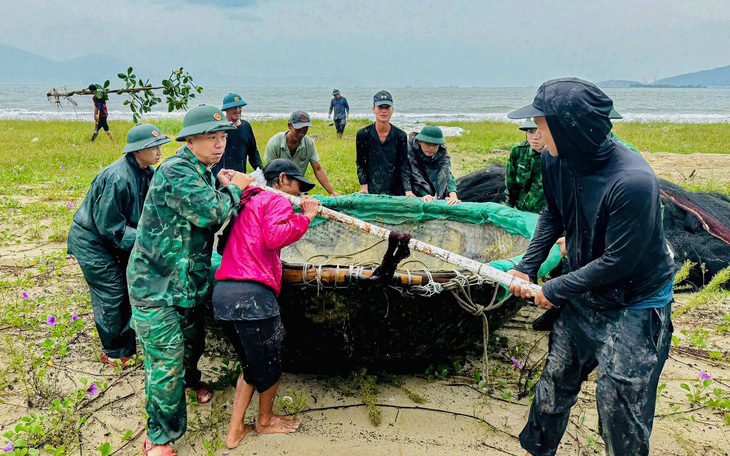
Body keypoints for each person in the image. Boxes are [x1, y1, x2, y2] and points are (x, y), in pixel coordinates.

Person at [506, 77, 674, 456]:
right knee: (553, 384)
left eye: (542, 124)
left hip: (634, 302)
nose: (535, 131)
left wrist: (554, 289)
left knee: (619, 407)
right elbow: (554, 211)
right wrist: (528, 267)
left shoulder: (633, 183)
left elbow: (618, 262)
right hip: (584, 293)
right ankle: (537, 449)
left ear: (570, 130)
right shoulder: (554, 159)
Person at [126, 105, 255, 456]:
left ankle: (191, 381)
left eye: (223, 136)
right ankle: (159, 438)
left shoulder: (202, 171)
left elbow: (209, 216)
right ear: (190, 140)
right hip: (155, 285)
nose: (219, 144)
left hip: (186, 282)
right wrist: (236, 188)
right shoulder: (175, 171)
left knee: (191, 346)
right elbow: (212, 211)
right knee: (165, 362)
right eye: (210, 138)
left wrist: (222, 184)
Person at [214, 158, 321, 448]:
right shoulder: (275, 199)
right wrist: (306, 217)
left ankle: (235, 431)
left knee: (250, 365)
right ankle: (264, 421)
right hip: (252, 296)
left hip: (223, 293)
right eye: (299, 185)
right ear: (283, 179)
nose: (300, 193)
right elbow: (275, 236)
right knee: (271, 363)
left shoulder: (245, 198)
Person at [68, 124, 170, 366]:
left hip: (114, 236)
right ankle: (115, 352)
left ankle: (126, 344)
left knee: (128, 285)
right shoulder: (118, 177)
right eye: (153, 147)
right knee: (112, 292)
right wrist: (148, 241)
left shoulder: (147, 171)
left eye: (159, 146)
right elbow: (110, 227)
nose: (159, 151)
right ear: (137, 151)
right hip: (92, 241)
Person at [264, 111, 340, 196]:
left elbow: (318, 169)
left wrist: (332, 192)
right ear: (290, 126)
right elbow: (270, 174)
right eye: (298, 130)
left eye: (305, 130)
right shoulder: (275, 143)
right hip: (279, 189)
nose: (301, 134)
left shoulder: (309, 143)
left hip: (297, 189)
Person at [355, 90, 412, 196]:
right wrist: (364, 185)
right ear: (373, 110)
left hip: (396, 188)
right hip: (372, 187)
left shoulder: (401, 136)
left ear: (392, 110)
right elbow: (360, 163)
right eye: (380, 107)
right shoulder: (363, 134)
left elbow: (403, 165)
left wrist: (408, 190)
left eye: (387, 107)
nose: (384, 111)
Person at [211, 93, 262, 177]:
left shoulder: (246, 126)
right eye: (234, 108)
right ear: (227, 109)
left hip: (240, 174)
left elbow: (253, 152)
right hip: (221, 175)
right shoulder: (220, 128)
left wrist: (260, 170)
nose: (238, 110)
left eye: (240, 107)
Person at [406, 125, 460, 205]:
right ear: (420, 142)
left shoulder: (442, 151)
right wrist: (425, 195)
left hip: (429, 177)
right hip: (408, 182)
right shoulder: (408, 150)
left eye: (435, 145)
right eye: (428, 144)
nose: (431, 148)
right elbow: (414, 174)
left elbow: (447, 173)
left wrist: (453, 195)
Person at [505, 118, 547, 213]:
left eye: (540, 131)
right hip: (523, 211)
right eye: (531, 131)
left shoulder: (558, 155)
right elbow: (511, 184)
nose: (535, 137)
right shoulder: (519, 151)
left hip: (548, 215)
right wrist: (509, 208)